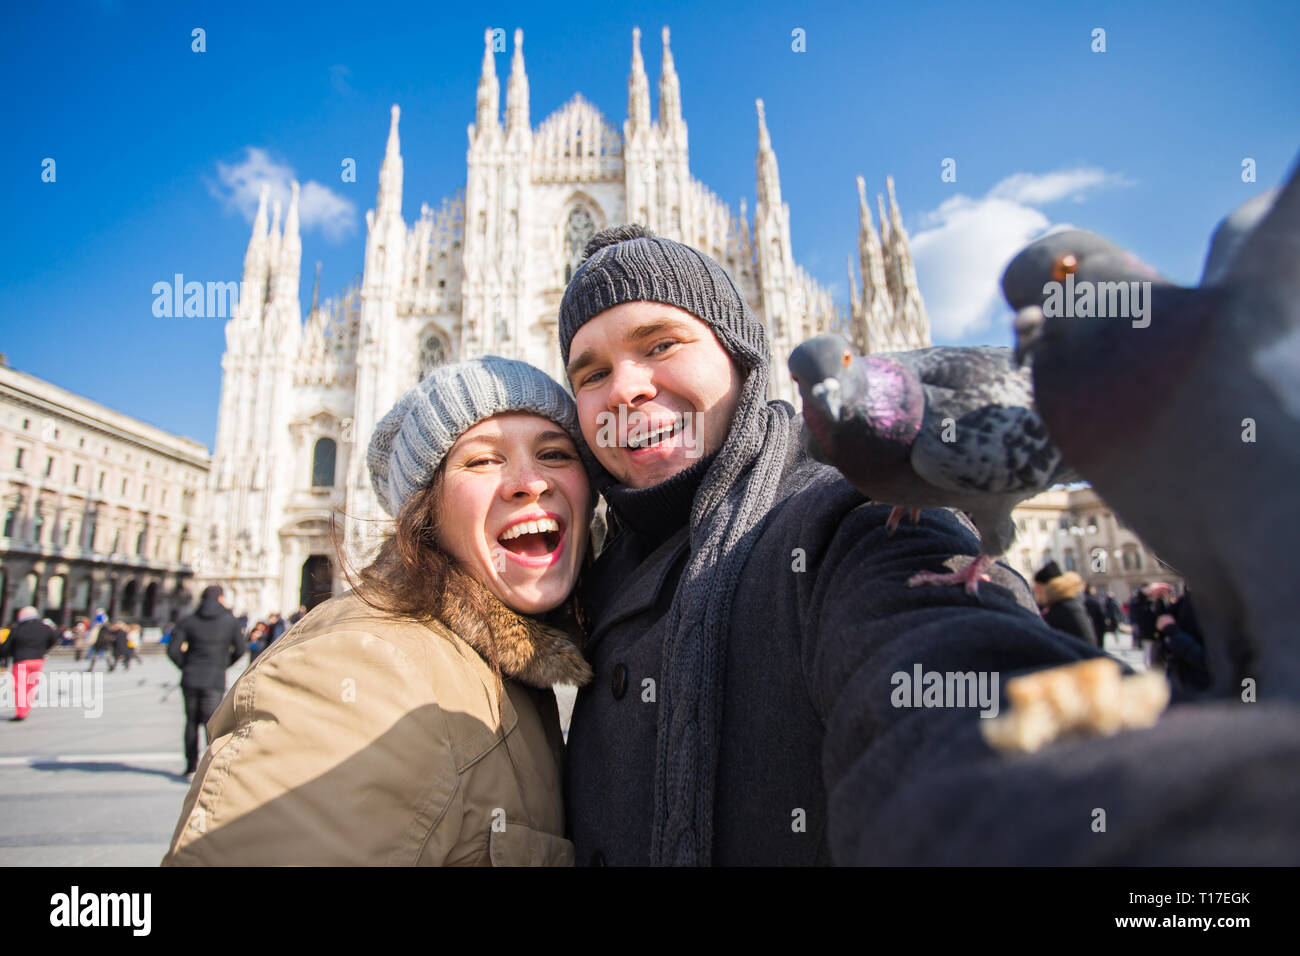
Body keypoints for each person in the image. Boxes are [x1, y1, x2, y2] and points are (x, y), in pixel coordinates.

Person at [557, 224, 1140, 866]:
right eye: (591, 373)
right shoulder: (586, 570)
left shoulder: (844, 513)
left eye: (662, 343)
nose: (625, 389)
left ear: (741, 357)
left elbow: (945, 657)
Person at [163, 357, 594, 866]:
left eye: (555, 453)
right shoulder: (357, 669)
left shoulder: (513, 661)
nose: (531, 481)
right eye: (480, 460)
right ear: (422, 511)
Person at [166, 586, 247, 778]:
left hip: (190, 678)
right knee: (213, 724)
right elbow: (241, 649)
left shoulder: (189, 620)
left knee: (191, 722)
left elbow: (172, 650)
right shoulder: (230, 622)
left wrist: (185, 665)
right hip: (214, 679)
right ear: (220, 598)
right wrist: (223, 664)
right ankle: (212, 765)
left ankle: (191, 765)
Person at [1, 607, 59, 721]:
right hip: (38, 660)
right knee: (31, 685)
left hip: (21, 660)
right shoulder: (45, 628)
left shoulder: (17, 629)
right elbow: (54, 639)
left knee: (20, 686)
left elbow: (6, 646)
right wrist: (43, 650)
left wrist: (4, 657)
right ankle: (26, 708)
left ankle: (21, 712)